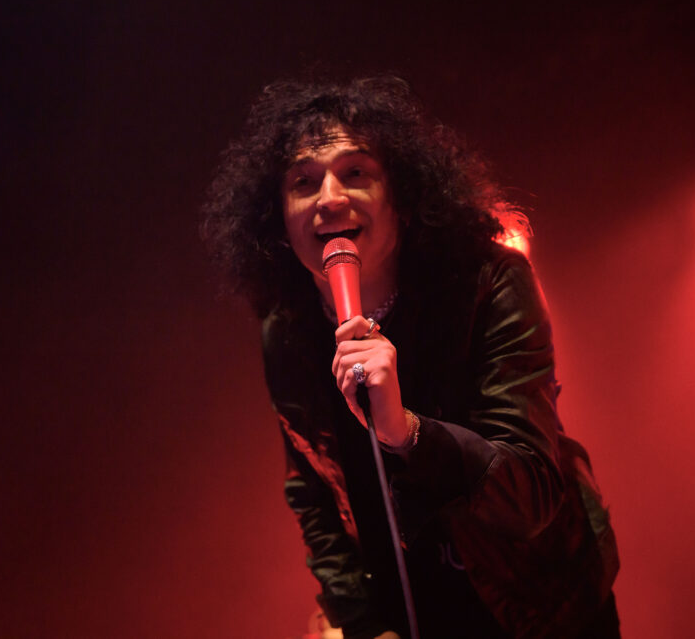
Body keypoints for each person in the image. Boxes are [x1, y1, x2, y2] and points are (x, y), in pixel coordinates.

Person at [202, 76, 620, 638]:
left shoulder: (489, 283)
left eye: (356, 172)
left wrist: (407, 433)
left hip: (539, 611)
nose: (329, 197)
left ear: (402, 196)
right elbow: (314, 496)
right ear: (276, 217)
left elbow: (531, 497)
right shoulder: (287, 330)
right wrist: (362, 624)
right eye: (303, 181)